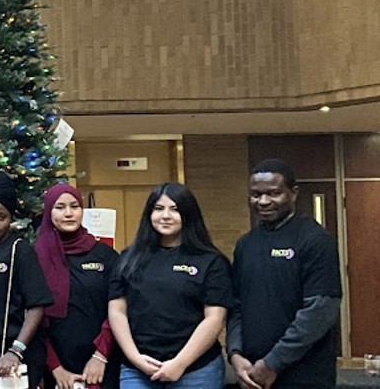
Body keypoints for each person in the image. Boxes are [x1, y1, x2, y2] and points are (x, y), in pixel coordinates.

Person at [228, 159, 342, 389]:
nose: (263, 201)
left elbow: (320, 310)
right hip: (251, 374)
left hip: (305, 375)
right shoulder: (245, 245)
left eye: (274, 193)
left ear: (293, 193)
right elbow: (236, 305)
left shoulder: (315, 240)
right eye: (256, 195)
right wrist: (235, 354)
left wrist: (273, 363)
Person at [108, 182, 231, 388]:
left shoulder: (211, 261)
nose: (165, 216)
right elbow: (117, 311)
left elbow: (215, 318)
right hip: (136, 370)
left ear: (189, 214)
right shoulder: (128, 258)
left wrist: (179, 364)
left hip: (196, 371)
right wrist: (135, 357)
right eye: (158, 208)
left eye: (175, 209)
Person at [0, 172, 53, 389]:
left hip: (19, 358)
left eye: (2, 216)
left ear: (10, 217)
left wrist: (16, 350)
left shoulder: (20, 250)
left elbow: (37, 306)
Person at [36, 184, 120, 389]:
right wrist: (55, 367)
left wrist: (100, 356)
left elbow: (119, 309)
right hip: (57, 371)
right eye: (60, 207)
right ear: (48, 212)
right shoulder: (35, 257)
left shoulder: (105, 255)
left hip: (103, 364)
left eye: (74, 206)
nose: (68, 213)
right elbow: (31, 319)